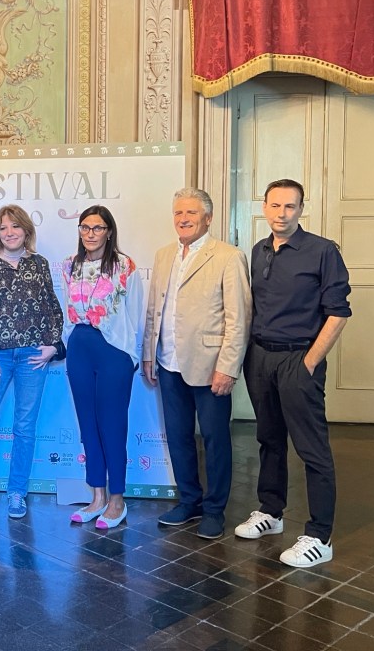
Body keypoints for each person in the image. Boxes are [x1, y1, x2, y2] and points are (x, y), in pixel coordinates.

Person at [234, 179, 351, 568]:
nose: (281, 213)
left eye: (289, 206)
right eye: (275, 205)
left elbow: (338, 312)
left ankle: (320, 536)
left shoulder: (322, 251)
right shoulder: (259, 250)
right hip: (260, 358)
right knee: (269, 438)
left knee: (312, 449)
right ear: (264, 208)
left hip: (299, 360)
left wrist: (309, 362)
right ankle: (271, 511)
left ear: (301, 209)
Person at [142, 188, 252, 540]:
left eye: (191, 212)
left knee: (216, 439)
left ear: (208, 218)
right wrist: (149, 353)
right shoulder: (164, 255)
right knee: (178, 437)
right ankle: (189, 501)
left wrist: (228, 367)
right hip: (168, 362)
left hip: (210, 365)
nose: (183, 219)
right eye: (178, 213)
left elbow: (239, 318)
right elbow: (154, 309)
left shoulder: (229, 257)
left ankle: (215, 510)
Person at [0, 205, 64, 527]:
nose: (9, 232)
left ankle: (17, 492)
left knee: (24, 426)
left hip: (33, 356)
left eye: (15, 226)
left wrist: (53, 344)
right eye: (3, 227)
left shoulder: (39, 264)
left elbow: (52, 307)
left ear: (26, 230)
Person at [61, 206, 143, 530]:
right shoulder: (69, 265)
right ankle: (97, 497)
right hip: (80, 347)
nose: (90, 233)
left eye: (97, 227)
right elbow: (68, 311)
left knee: (112, 426)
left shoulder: (125, 265)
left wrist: (131, 356)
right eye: (85, 227)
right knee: (88, 425)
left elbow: (135, 314)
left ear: (109, 231)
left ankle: (117, 500)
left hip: (114, 351)